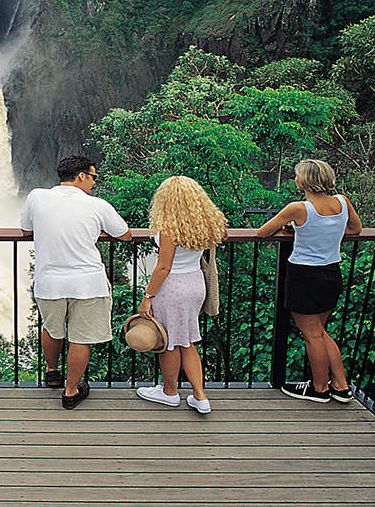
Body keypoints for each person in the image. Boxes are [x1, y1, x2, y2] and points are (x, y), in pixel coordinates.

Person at [20, 155, 132, 409]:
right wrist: (96, 231)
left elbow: (26, 230)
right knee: (80, 339)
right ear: (81, 176)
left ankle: (51, 372)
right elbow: (125, 234)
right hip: (88, 283)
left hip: (49, 282)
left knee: (51, 327)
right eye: (93, 177)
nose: (94, 183)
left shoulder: (36, 197)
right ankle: (71, 392)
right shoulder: (96, 205)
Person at [256, 159, 363, 403]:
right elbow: (356, 229)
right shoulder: (342, 202)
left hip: (304, 276)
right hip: (331, 273)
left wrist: (294, 226)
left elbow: (262, 232)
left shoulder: (299, 208)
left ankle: (319, 389)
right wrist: (326, 231)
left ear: (303, 181)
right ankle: (341, 386)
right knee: (320, 332)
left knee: (312, 335)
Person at [135, 176, 227, 414]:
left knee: (168, 342)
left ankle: (169, 393)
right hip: (194, 283)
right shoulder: (204, 223)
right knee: (187, 341)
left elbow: (163, 267)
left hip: (172, 287)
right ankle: (200, 397)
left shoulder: (168, 228)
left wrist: (147, 296)